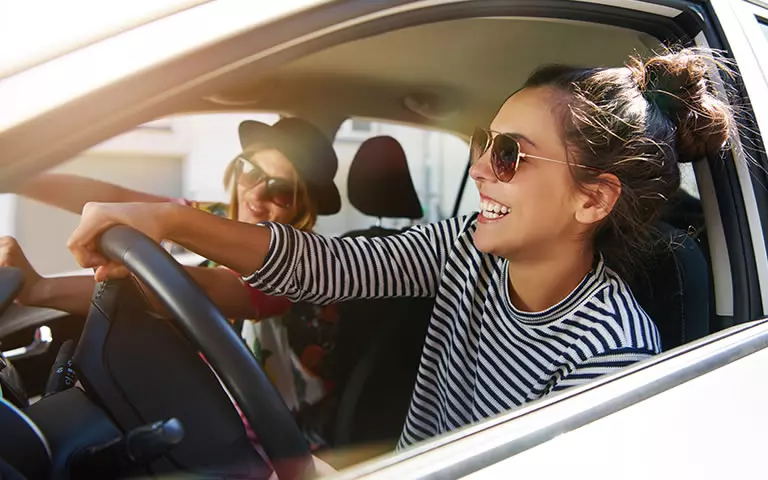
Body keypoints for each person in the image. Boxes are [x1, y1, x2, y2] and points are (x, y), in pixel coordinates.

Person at [66, 47, 734, 449]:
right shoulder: (465, 250)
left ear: (592, 200)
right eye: (482, 141)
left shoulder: (612, 350)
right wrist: (164, 220)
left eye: (510, 155)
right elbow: (326, 267)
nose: (478, 169)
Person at [4, 117, 342, 448]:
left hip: (269, 439)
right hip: (204, 403)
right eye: (251, 171)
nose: (256, 194)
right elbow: (119, 199)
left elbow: (202, 289)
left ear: (302, 206)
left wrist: (41, 288)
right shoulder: (216, 216)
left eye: (280, 191)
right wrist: (21, 178)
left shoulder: (299, 266)